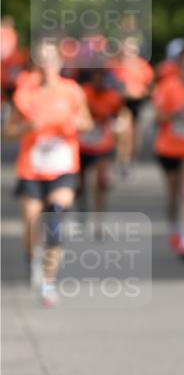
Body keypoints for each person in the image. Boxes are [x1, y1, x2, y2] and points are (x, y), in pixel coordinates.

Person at [4, 40, 93, 305]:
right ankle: (31, 259)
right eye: (41, 60)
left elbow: (87, 122)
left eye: (51, 59)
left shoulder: (71, 91)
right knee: (32, 224)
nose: (46, 65)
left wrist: (75, 122)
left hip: (63, 166)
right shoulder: (25, 93)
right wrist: (26, 128)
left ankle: (48, 282)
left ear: (60, 62)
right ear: (34, 64)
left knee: (54, 218)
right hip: (32, 168)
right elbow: (7, 132)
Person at [152, 47, 184, 259]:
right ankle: (174, 227)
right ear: (178, 67)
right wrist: (176, 115)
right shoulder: (167, 86)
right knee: (173, 195)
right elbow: (157, 117)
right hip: (168, 148)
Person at [77, 68, 124, 226]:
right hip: (82, 145)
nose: (98, 82)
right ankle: (82, 208)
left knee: (101, 182)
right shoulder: (82, 94)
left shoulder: (113, 97)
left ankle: (99, 219)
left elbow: (117, 119)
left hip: (103, 145)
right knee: (81, 183)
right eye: (95, 78)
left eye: (101, 79)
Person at [110, 36, 154, 173]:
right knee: (123, 130)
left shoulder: (143, 66)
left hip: (136, 102)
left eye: (132, 49)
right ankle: (122, 158)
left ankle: (131, 158)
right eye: (127, 49)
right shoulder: (115, 65)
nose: (129, 52)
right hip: (120, 103)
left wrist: (141, 93)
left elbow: (150, 86)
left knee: (135, 131)